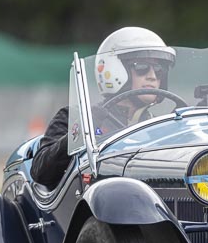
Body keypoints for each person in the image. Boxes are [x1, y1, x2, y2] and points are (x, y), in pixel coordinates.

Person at [31, 27, 175, 189]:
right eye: (142, 67)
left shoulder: (158, 126)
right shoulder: (76, 116)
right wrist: (82, 130)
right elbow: (41, 173)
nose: (152, 76)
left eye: (158, 70)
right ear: (115, 70)